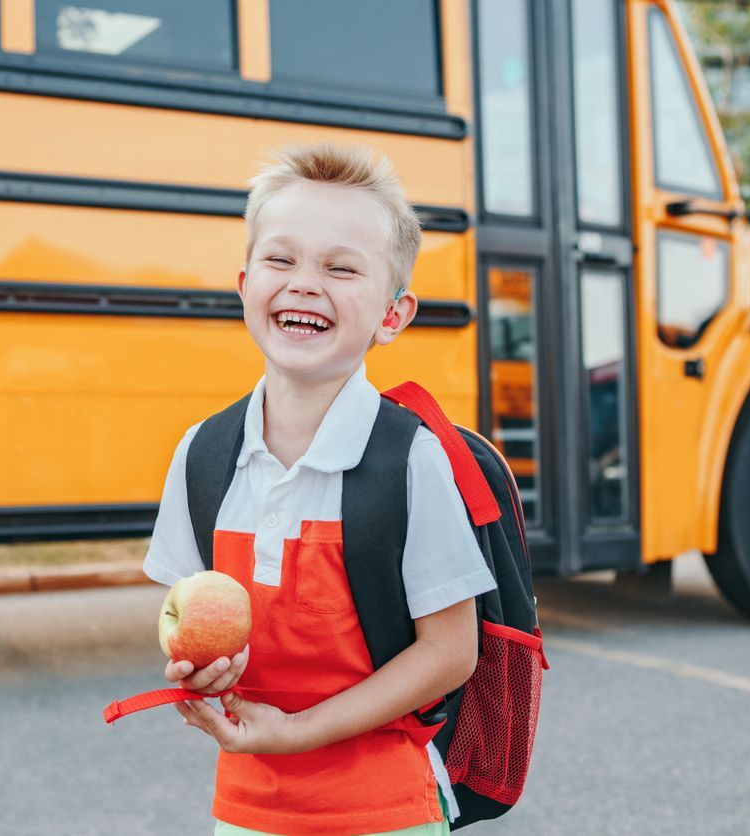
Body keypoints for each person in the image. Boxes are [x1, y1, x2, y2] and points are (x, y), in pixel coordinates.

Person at [142, 143, 497, 836]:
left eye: (340, 268)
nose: (305, 283)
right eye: (282, 260)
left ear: (392, 315)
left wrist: (299, 732)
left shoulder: (411, 459)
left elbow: (452, 652)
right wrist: (200, 668)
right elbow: (182, 611)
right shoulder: (203, 455)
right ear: (245, 284)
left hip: (386, 811)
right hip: (247, 810)